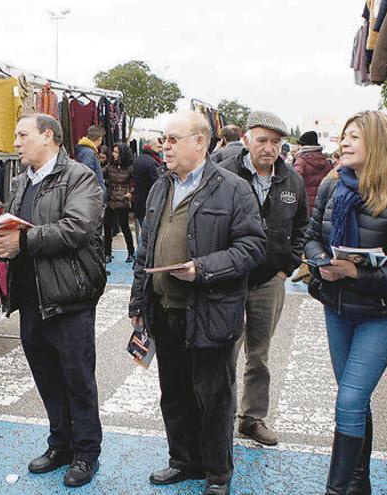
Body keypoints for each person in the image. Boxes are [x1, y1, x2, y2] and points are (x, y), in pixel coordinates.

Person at [129, 111, 267, 495]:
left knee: (214, 398)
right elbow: (145, 249)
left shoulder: (233, 189)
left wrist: (203, 269)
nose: (165, 146)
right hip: (164, 311)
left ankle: (217, 473)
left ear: (200, 142)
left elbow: (253, 247)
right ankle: (183, 461)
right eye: (164, 139)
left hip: (210, 312)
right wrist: (137, 304)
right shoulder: (161, 187)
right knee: (174, 393)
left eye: (173, 139)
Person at [304, 110, 387, 495]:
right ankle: (358, 483)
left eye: (354, 136)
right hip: (338, 306)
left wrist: (356, 272)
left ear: (377, 143)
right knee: (353, 399)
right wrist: (321, 261)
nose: (344, 142)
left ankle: (337, 489)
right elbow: (309, 237)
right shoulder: (331, 187)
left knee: (350, 398)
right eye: (344, 135)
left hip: (383, 312)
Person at [0, 114, 106, 488]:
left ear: (48, 137)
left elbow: (78, 228)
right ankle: (60, 444)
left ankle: (86, 453)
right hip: (31, 297)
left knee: (77, 379)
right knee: (48, 378)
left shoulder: (79, 177)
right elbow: (18, 228)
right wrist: (3, 243)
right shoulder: (21, 182)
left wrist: (22, 242)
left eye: (23, 135)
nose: (16, 142)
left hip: (68, 297)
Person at [217, 111, 309, 447]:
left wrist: (287, 266)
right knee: (225, 351)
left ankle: (252, 418)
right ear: (246, 140)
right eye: (262, 140)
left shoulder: (292, 180)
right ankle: (220, 419)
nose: (269, 148)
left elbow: (302, 227)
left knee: (259, 353)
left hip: (270, 279)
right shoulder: (223, 175)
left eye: (275, 142)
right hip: (229, 279)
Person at [104, 143, 136, 263]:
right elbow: (101, 173)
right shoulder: (110, 166)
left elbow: (136, 182)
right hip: (111, 199)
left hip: (122, 201)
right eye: (114, 151)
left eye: (116, 152)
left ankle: (131, 253)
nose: (113, 154)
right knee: (107, 226)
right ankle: (107, 253)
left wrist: (131, 194)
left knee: (125, 227)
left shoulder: (130, 168)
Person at [131, 138, 161, 249]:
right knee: (147, 234)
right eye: (158, 146)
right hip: (149, 203)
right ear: (151, 147)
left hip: (139, 201)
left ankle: (139, 256)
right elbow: (156, 185)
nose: (161, 149)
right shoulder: (152, 162)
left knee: (142, 232)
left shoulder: (138, 159)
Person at [294, 130, 333, 212]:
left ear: (304, 146)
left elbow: (295, 183)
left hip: (305, 205)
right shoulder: (326, 161)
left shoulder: (301, 160)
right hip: (322, 203)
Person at [75, 125, 107, 194]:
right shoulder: (88, 153)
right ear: (99, 139)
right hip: (93, 196)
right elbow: (88, 178)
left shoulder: (86, 150)